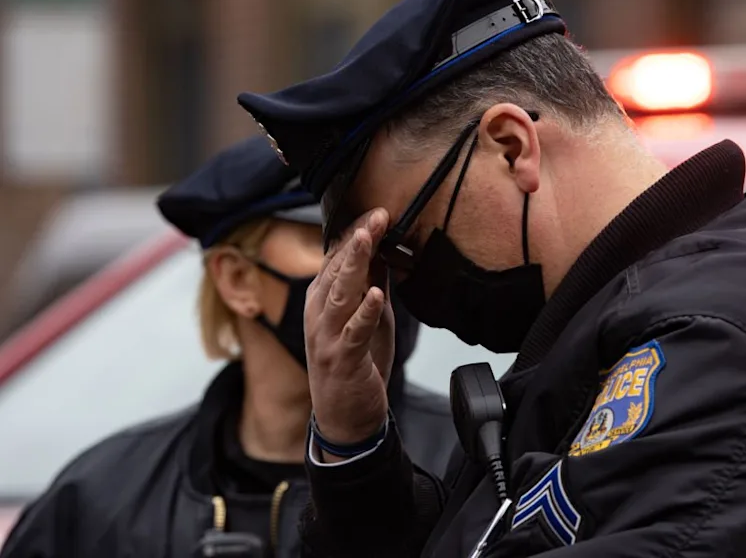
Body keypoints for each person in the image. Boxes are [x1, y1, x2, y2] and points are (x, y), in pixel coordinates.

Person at [237, 0, 746, 557]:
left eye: (404, 244)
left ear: (511, 146)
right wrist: (355, 446)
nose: (403, 290)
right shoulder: (619, 338)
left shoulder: (718, 355)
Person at [0, 136, 457, 558]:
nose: (371, 262)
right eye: (334, 238)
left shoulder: (472, 465)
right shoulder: (99, 501)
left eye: (388, 239)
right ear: (237, 279)